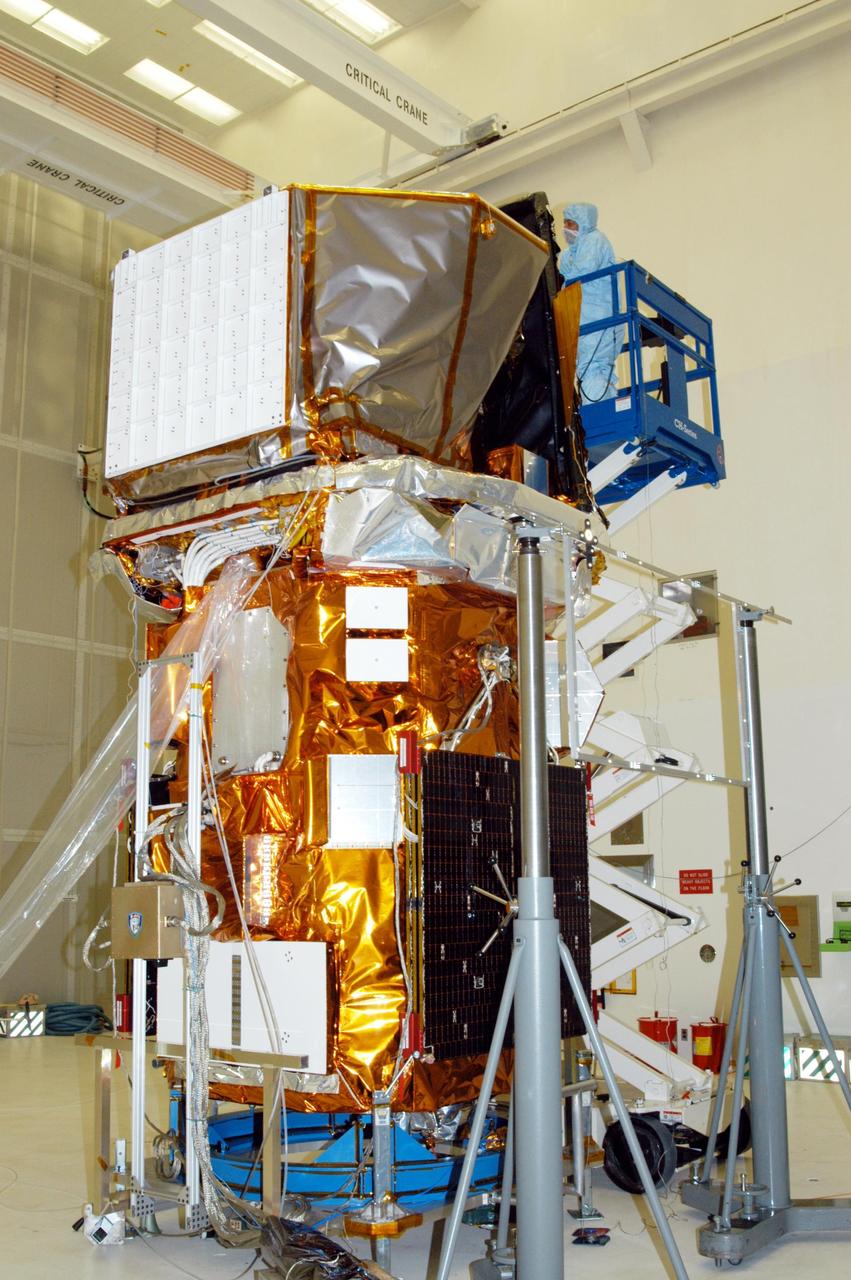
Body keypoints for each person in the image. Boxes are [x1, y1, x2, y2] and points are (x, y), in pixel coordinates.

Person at [558, 203, 620, 403]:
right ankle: (600, 411)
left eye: (571, 223)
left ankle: (597, 412)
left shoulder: (595, 240)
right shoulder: (569, 253)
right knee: (587, 367)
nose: (566, 228)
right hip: (580, 320)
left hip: (600, 316)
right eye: (565, 223)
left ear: (584, 223)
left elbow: (580, 272)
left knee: (595, 365)